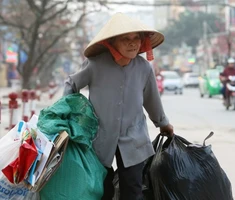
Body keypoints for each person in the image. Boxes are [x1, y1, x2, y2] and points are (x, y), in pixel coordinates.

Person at [63, 13, 174, 200]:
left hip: (134, 137)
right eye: (126, 39)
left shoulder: (144, 68)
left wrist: (163, 123)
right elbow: (71, 85)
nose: (133, 43)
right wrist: (70, 116)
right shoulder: (95, 65)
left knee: (133, 190)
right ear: (112, 43)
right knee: (101, 189)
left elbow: (151, 99)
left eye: (136, 39)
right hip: (99, 136)